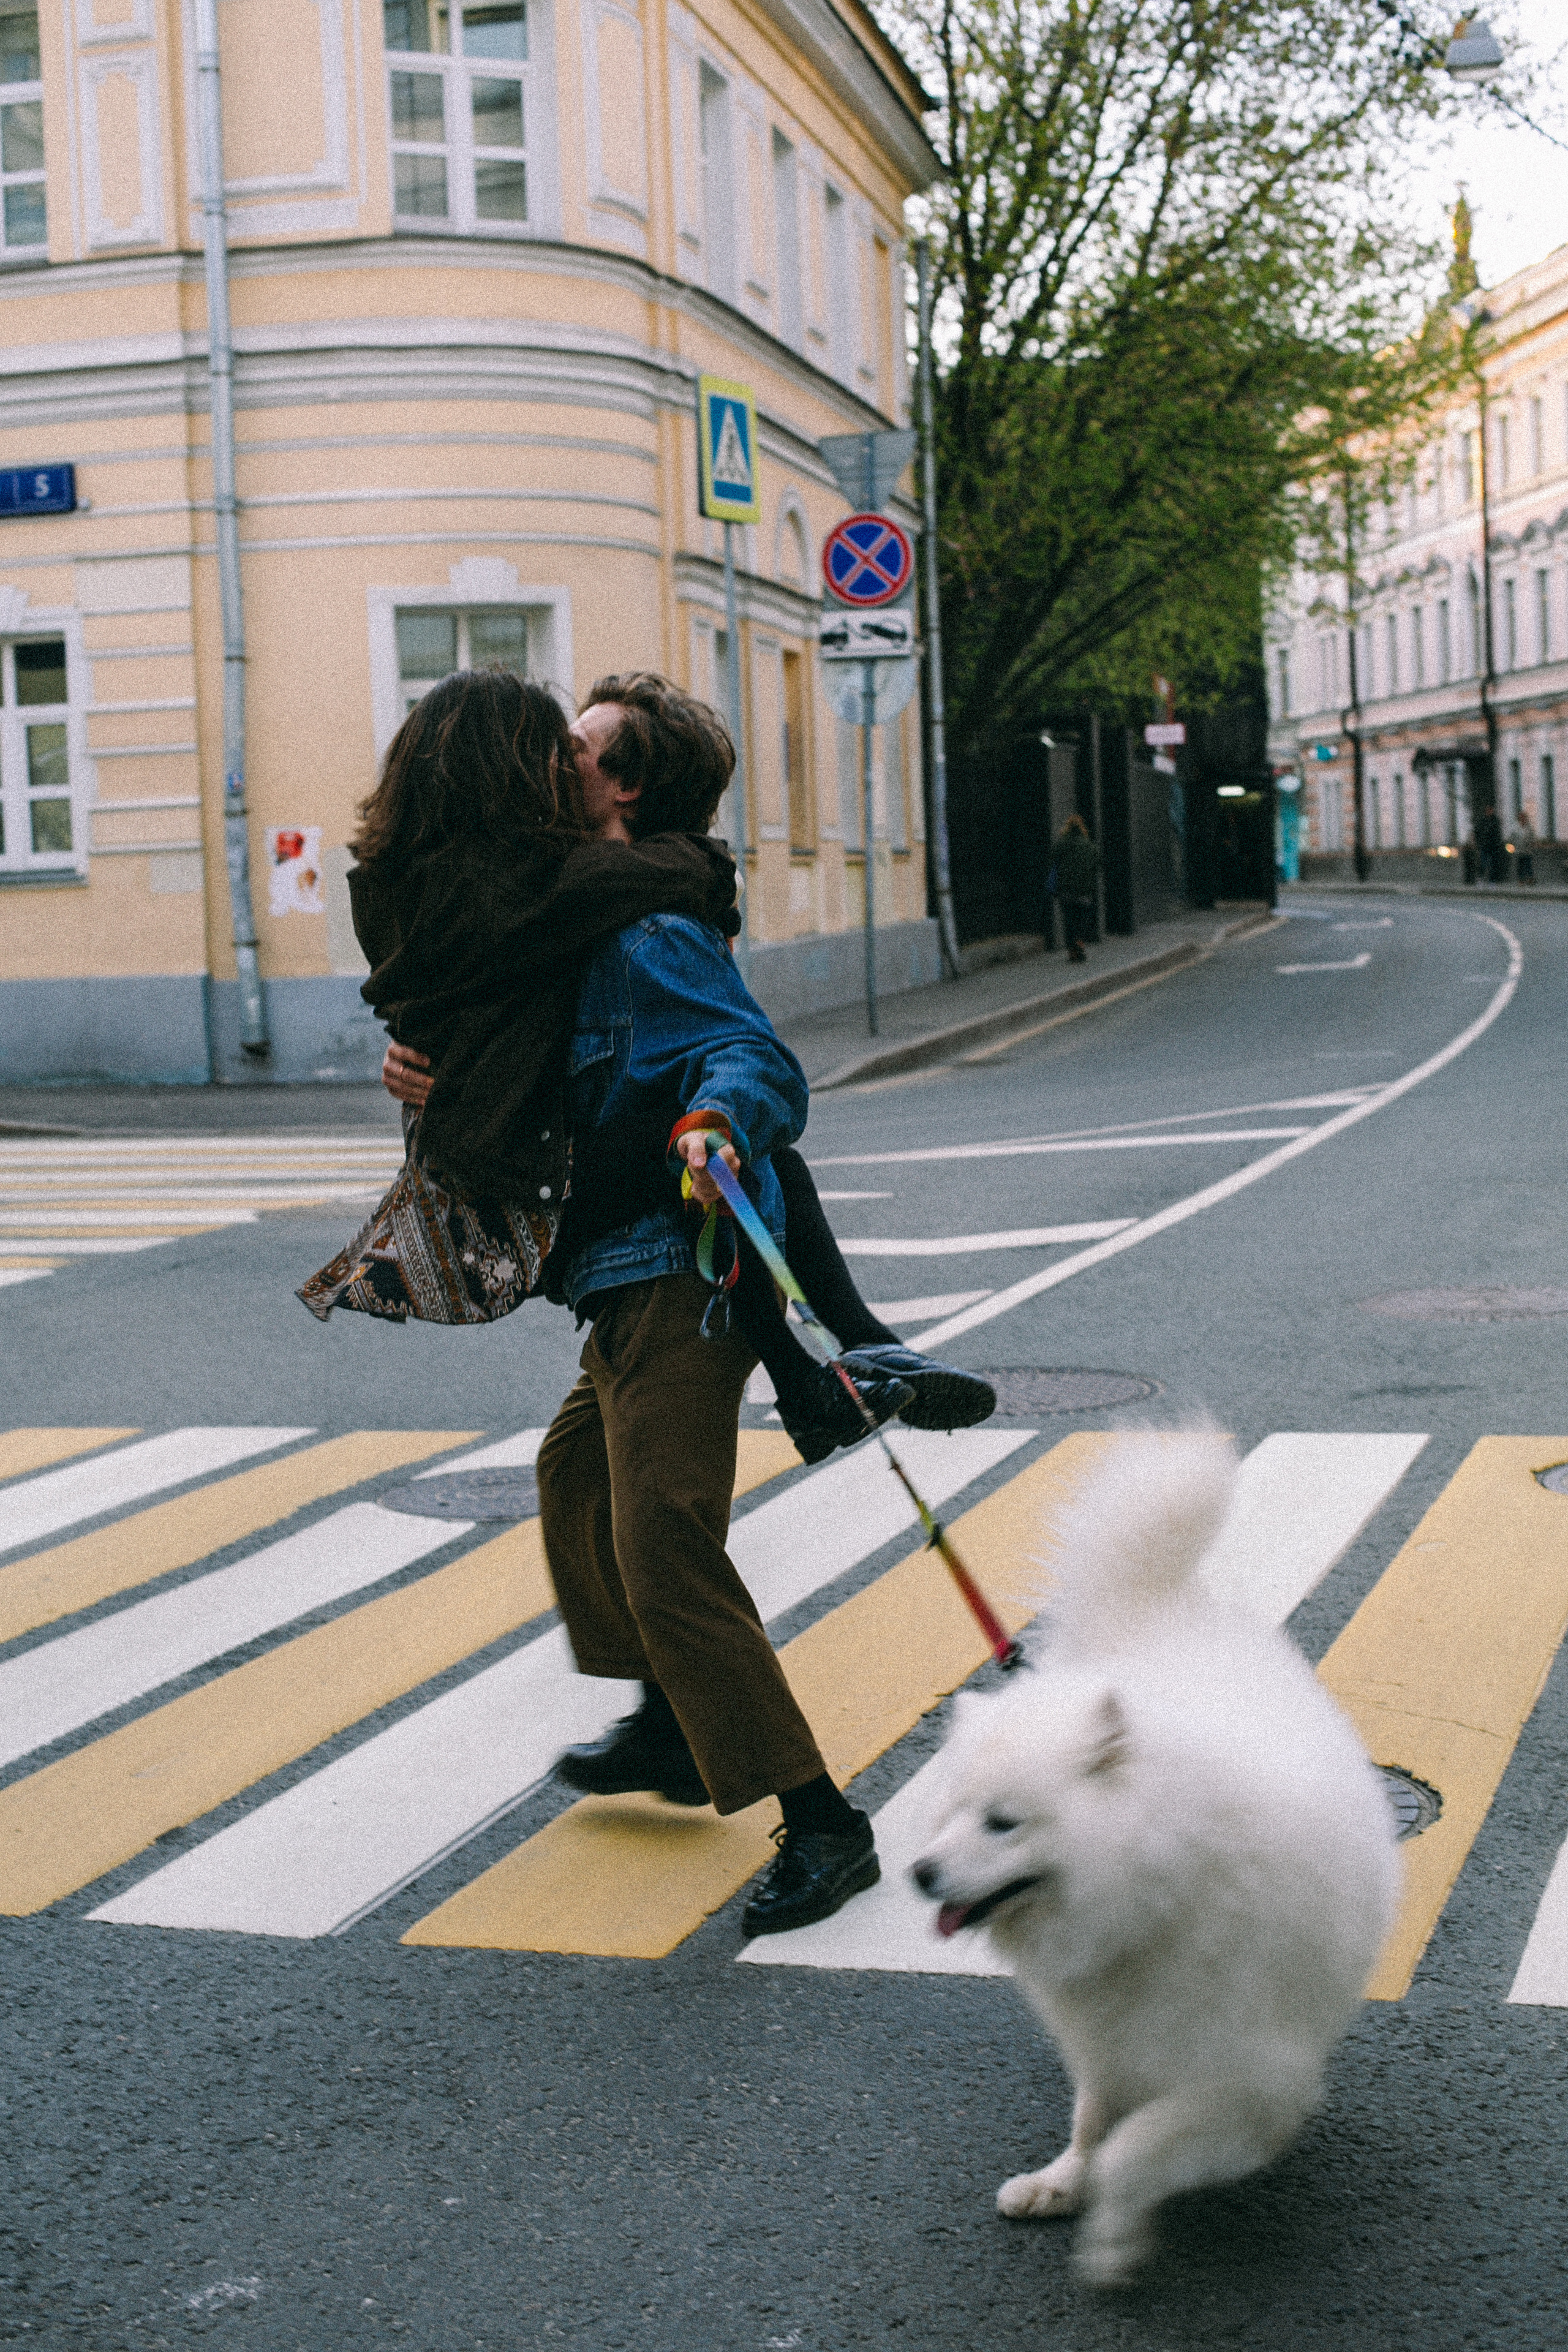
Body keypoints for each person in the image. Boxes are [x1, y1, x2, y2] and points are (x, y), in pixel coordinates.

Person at [1052, 812, 1100, 963]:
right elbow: (1097, 861)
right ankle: (1080, 942)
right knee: (1082, 919)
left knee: (1069, 920)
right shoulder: (1089, 845)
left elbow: (1053, 858)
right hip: (1085, 890)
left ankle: (1072, 952)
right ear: (1082, 828)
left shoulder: (1062, 843)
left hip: (1066, 889)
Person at [1510, 805, 1537, 885]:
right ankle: (1521, 880)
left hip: (1527, 850)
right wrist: (1512, 848)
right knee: (1520, 866)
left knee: (1528, 864)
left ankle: (1530, 879)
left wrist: (1532, 844)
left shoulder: (1529, 827)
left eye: (1524, 818)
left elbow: (1532, 837)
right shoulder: (1515, 827)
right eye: (1521, 818)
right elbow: (1512, 838)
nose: (1523, 819)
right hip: (1518, 850)